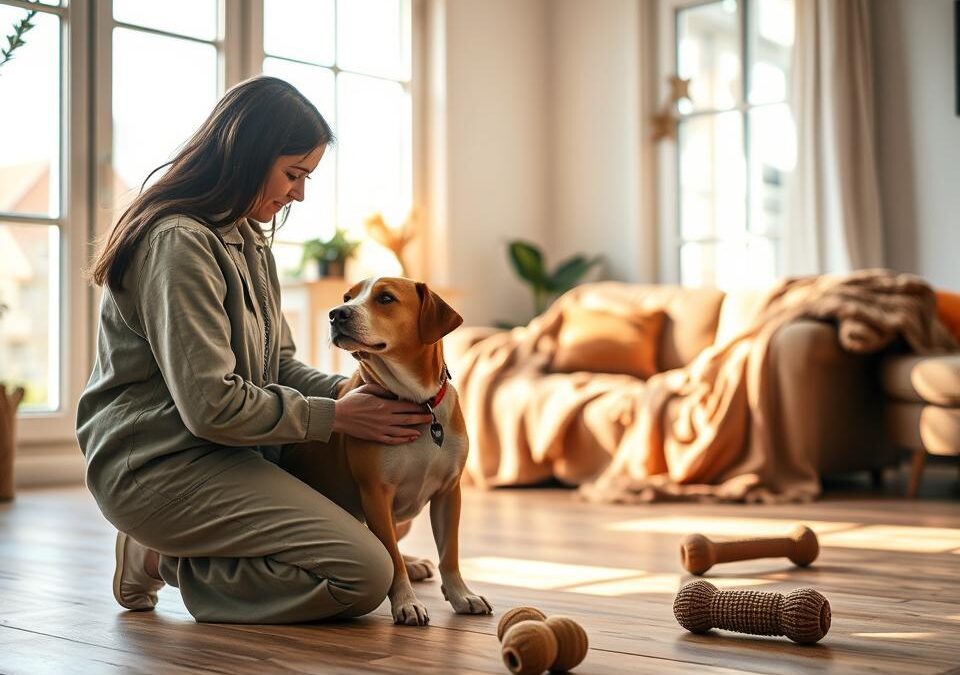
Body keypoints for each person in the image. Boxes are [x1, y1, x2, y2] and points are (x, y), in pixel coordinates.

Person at [76, 76, 434, 623]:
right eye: (294, 174)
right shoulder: (178, 243)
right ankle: (159, 557)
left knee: (393, 515)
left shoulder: (248, 239)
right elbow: (212, 405)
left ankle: (184, 543)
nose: (299, 193)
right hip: (157, 466)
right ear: (247, 155)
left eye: (306, 177)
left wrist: (370, 395)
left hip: (234, 452)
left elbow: (279, 365)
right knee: (365, 575)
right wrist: (338, 416)